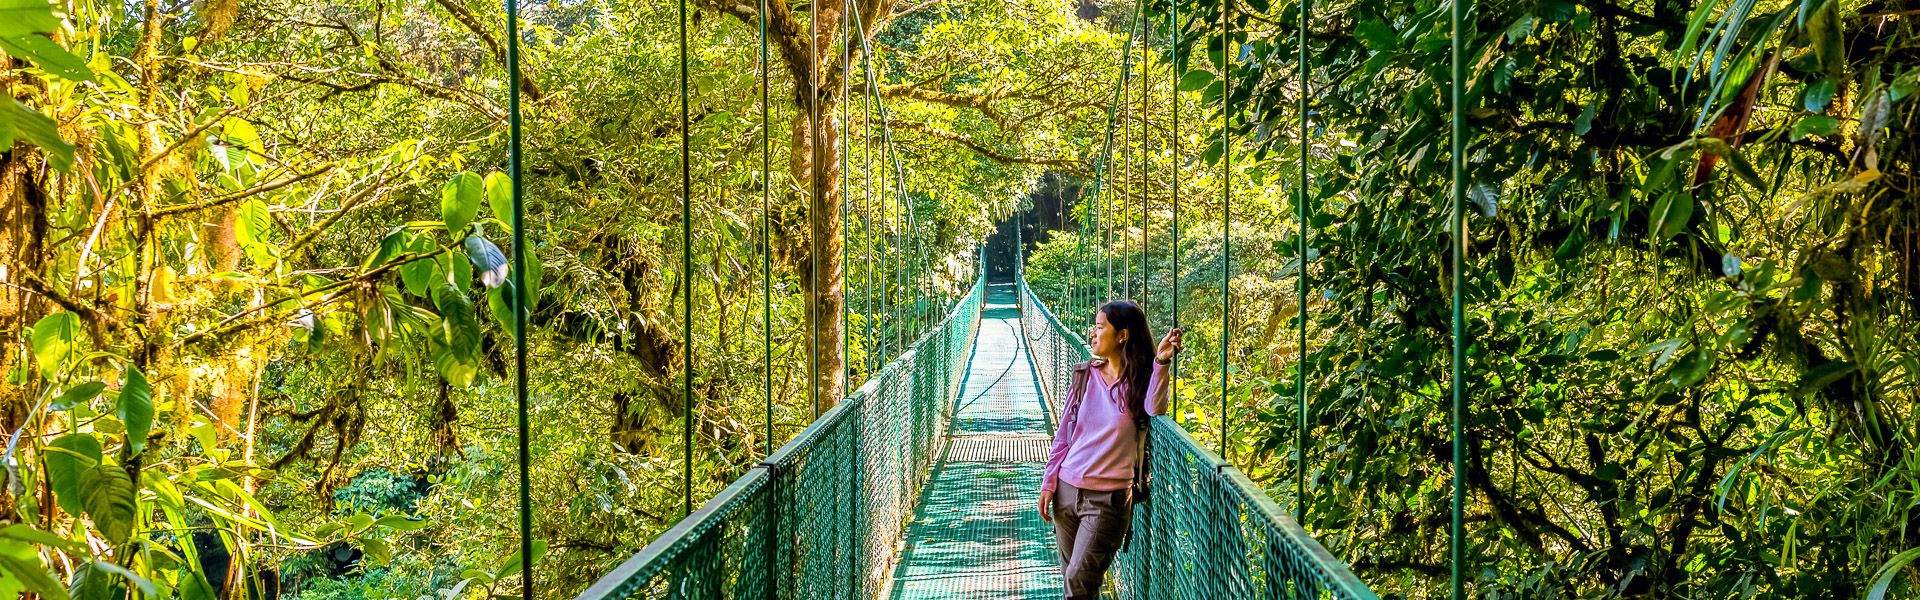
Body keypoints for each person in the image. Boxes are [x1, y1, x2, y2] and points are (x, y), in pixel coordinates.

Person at [1038, 300, 1182, 599]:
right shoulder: (1084, 376)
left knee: (1077, 582)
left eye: (1100, 326)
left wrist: (1163, 363)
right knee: (1076, 583)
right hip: (1066, 492)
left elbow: (1155, 408)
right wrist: (1049, 483)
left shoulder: (1140, 380)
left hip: (1109, 501)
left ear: (1122, 335)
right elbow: (1064, 435)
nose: (1093, 333)